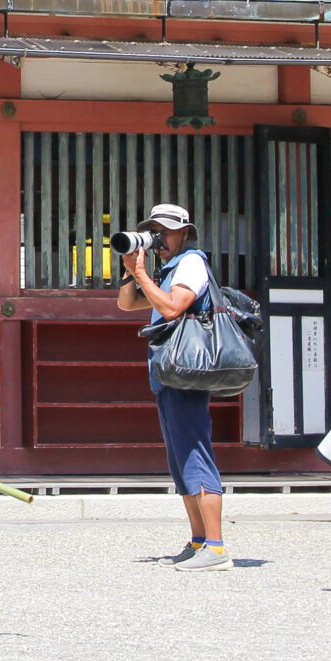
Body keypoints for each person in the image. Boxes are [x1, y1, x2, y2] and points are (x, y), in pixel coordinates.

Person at [114, 202, 230, 570]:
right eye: (154, 231)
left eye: (165, 232)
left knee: (195, 453)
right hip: (168, 373)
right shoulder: (167, 268)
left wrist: (145, 275)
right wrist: (133, 270)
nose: (159, 238)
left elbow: (172, 308)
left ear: (184, 233)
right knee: (180, 460)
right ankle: (198, 541)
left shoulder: (192, 263)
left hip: (187, 372)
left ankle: (216, 548)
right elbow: (126, 304)